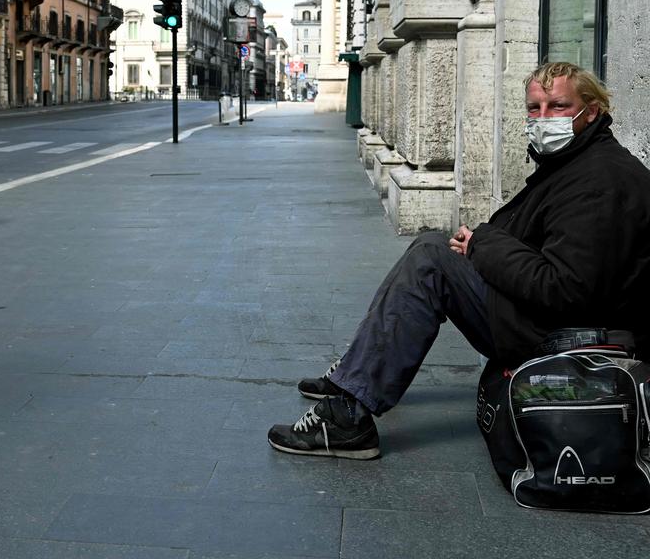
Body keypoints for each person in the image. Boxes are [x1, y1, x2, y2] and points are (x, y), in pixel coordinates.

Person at [268, 61, 650, 459]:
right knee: (431, 250)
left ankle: (348, 414)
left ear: (591, 112)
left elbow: (565, 288)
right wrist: (484, 245)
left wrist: (483, 245)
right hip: (549, 321)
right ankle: (356, 374)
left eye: (557, 107)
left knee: (431, 260)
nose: (542, 119)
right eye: (534, 109)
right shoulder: (578, 163)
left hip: (567, 339)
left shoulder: (600, 181)